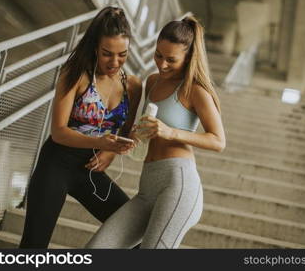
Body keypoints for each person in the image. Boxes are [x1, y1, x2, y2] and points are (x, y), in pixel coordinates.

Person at [86, 15, 226, 249]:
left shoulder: (195, 90)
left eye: (171, 59)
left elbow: (218, 141)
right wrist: (126, 140)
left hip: (178, 185)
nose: (162, 64)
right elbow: (139, 129)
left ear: (188, 57)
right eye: (158, 55)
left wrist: (170, 132)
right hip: (147, 188)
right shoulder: (152, 82)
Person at [19, 7, 142, 248]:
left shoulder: (133, 85)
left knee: (136, 233)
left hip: (91, 172)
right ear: (95, 46)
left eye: (122, 54)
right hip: (56, 163)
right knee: (33, 246)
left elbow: (125, 131)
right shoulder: (75, 74)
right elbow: (58, 131)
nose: (114, 62)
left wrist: (109, 153)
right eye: (107, 53)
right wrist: (100, 142)